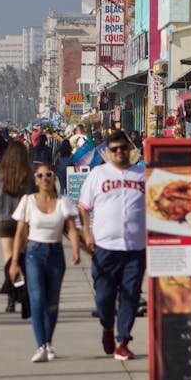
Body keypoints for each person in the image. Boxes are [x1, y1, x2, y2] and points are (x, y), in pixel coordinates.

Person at [78, 130, 147, 361]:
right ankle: (108, 326)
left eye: (123, 148)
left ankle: (123, 340)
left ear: (130, 150)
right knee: (104, 297)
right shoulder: (98, 174)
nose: (119, 152)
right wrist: (86, 232)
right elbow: (84, 206)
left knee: (130, 296)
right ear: (107, 152)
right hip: (105, 247)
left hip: (135, 247)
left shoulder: (143, 174)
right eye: (114, 149)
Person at [9, 162, 80, 363]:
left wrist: (75, 249)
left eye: (48, 175)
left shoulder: (63, 201)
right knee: (37, 299)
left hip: (56, 254)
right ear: (35, 180)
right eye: (40, 176)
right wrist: (14, 261)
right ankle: (40, 345)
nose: (44, 179)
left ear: (54, 177)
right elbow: (20, 232)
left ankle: (48, 342)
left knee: (52, 302)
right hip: (34, 253)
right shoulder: (28, 201)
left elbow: (72, 228)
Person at [0, 141, 35, 312]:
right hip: (23, 221)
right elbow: (32, 196)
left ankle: (10, 299)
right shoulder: (28, 174)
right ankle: (24, 295)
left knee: (9, 259)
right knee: (22, 257)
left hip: (5, 220)